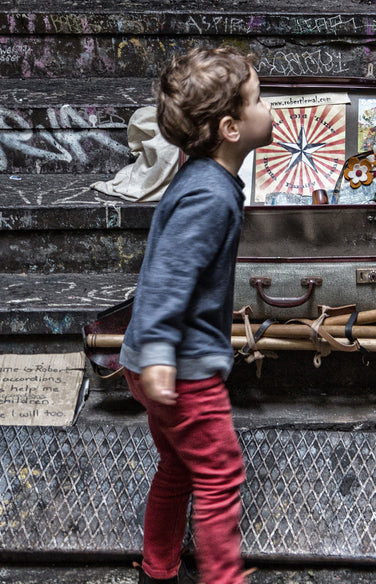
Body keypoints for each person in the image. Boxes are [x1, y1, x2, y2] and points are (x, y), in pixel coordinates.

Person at [120, 46, 274, 584]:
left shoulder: (203, 175)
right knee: (220, 474)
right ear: (232, 128)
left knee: (179, 468)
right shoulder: (209, 195)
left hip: (153, 362)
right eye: (259, 97)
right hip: (179, 369)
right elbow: (168, 274)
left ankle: (157, 570)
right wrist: (163, 351)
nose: (268, 105)